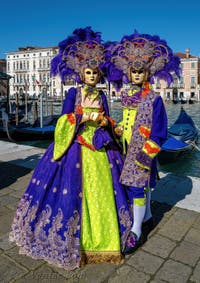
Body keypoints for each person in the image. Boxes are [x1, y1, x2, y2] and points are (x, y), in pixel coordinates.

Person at [9, 27, 132, 270]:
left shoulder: (102, 97)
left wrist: (106, 123)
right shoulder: (73, 94)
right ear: (81, 74)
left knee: (105, 192)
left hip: (100, 148)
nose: (93, 77)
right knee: (69, 193)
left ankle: (104, 241)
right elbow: (63, 121)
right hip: (75, 147)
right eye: (89, 72)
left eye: (96, 73)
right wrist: (82, 117)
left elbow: (106, 118)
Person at [108, 31, 181, 254]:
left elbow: (159, 131)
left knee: (137, 187)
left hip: (142, 151)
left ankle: (137, 230)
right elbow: (128, 120)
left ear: (147, 73)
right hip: (125, 149)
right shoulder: (126, 96)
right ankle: (147, 216)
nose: (137, 74)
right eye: (133, 71)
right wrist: (119, 128)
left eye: (141, 71)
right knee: (135, 186)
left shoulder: (154, 99)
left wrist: (147, 153)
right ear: (128, 73)